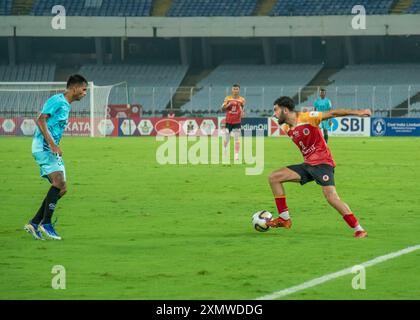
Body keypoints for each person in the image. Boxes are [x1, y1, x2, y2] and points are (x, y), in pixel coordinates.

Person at [266, 96, 370, 238]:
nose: (274, 114)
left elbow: (333, 113)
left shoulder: (307, 117)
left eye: (276, 110)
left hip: (322, 164)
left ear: (285, 110)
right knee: (274, 177)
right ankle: (284, 219)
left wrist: (358, 113)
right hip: (308, 165)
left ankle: (359, 229)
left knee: (331, 198)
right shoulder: (285, 127)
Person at [24, 74, 88, 240]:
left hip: (50, 148)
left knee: (62, 188)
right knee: (58, 182)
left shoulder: (66, 105)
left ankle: (34, 222)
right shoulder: (57, 100)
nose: (85, 93)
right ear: (74, 88)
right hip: (44, 147)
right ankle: (46, 223)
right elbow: (40, 119)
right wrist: (52, 144)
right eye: (84, 89)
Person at [221, 84, 246, 161]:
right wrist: (229, 104)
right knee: (227, 139)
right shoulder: (227, 98)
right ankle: (225, 152)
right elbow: (222, 109)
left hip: (237, 122)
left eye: (237, 89)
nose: (235, 90)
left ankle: (236, 156)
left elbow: (242, 110)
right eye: (234, 89)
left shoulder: (242, 100)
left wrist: (242, 113)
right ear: (232, 90)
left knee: (237, 139)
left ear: (239, 90)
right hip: (228, 121)